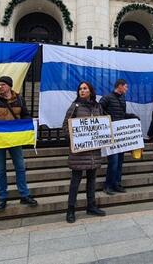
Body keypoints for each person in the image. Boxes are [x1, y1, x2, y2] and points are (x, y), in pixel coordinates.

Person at [0, 76, 37, 211]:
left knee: (20, 167)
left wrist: (30, 122)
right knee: (0, 169)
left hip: (15, 139)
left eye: (3, 84)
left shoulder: (20, 100)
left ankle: (24, 194)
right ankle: (2, 196)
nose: (0, 87)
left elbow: (25, 115)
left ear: (10, 86)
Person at [62, 81, 106, 223]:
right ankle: (71, 209)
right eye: (80, 89)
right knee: (75, 181)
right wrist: (75, 140)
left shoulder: (98, 107)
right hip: (79, 153)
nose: (82, 91)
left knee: (92, 180)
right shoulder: (74, 107)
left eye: (85, 88)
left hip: (93, 151)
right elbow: (65, 126)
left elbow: (103, 125)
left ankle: (91, 206)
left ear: (91, 91)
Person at [99, 79, 138, 195]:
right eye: (125, 87)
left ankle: (117, 183)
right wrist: (109, 119)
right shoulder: (107, 97)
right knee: (113, 161)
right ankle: (108, 185)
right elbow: (98, 111)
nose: (127, 89)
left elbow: (122, 114)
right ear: (119, 86)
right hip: (111, 134)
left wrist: (132, 116)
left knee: (120, 161)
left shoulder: (122, 99)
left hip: (120, 136)